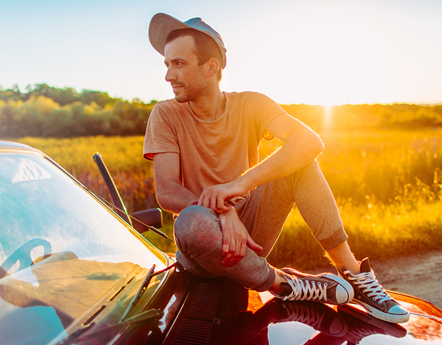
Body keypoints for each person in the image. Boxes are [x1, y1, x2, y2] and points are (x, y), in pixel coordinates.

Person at [143, 13, 409, 324]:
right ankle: (285, 284)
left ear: (211, 67)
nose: (168, 76)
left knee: (301, 162)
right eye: (167, 65)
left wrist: (239, 186)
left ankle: (353, 275)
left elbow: (309, 141)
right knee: (190, 222)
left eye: (179, 64)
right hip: (203, 243)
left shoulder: (251, 104)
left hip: (251, 236)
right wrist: (222, 210)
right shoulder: (164, 115)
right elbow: (167, 192)